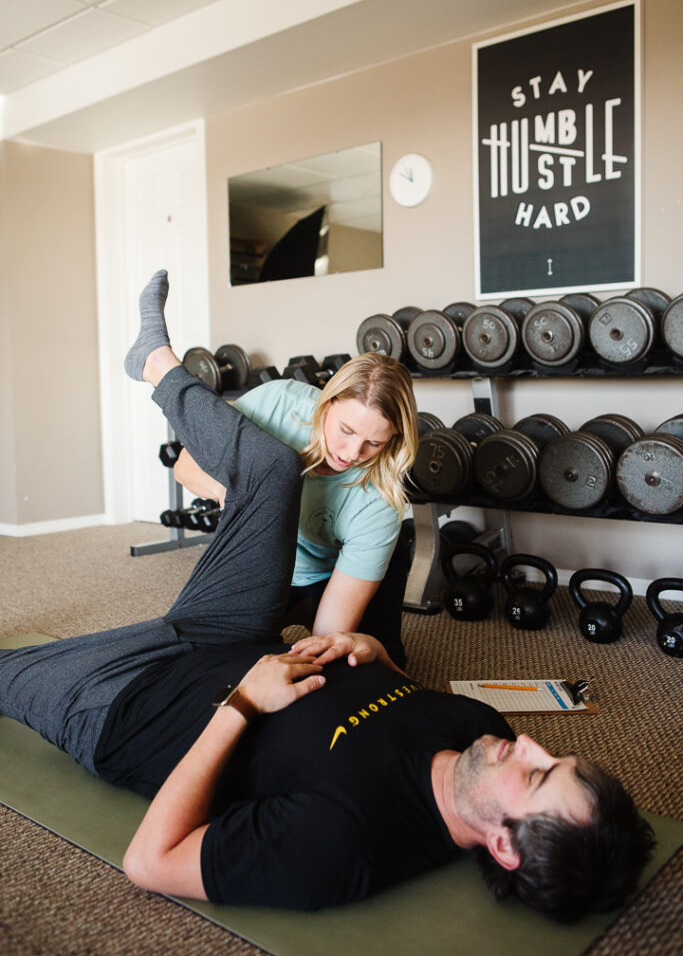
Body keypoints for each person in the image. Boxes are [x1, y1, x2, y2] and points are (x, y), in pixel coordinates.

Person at [0, 278, 654, 921]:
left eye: (539, 776)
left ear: (504, 845)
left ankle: (157, 369)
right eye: (556, 755)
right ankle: (156, 360)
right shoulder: (484, 736)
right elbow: (384, 680)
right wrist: (367, 648)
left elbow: (150, 862)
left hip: (124, 705)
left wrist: (242, 705)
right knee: (273, 468)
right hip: (231, 626)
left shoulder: (343, 845)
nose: (534, 744)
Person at [169, 271, 419, 666]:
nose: (353, 452)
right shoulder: (278, 403)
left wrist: (320, 648)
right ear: (326, 403)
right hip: (266, 562)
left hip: (334, 571)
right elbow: (185, 466)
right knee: (197, 656)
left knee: (355, 670)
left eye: (374, 442)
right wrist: (238, 495)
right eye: (346, 430)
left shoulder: (380, 501)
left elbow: (325, 642)